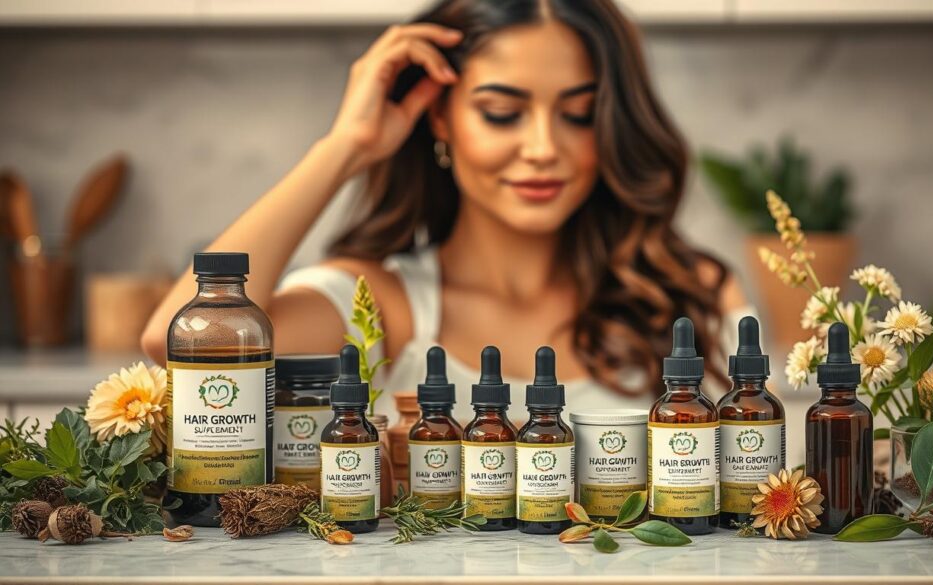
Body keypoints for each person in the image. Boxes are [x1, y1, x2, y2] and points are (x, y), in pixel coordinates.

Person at [141, 0, 751, 424]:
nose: (543, 149)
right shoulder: (379, 305)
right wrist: (345, 147)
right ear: (442, 117)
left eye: (579, 114)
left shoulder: (688, 291)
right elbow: (178, 342)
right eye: (501, 112)